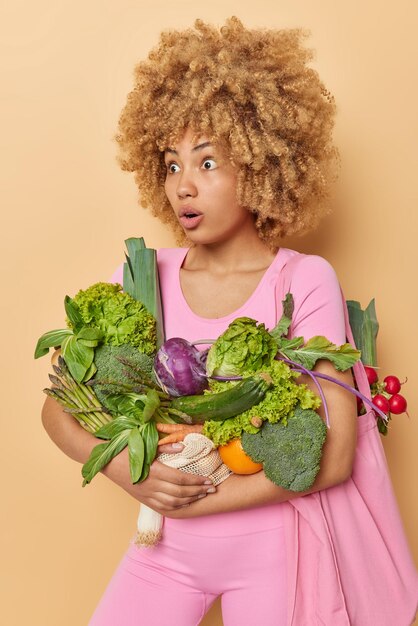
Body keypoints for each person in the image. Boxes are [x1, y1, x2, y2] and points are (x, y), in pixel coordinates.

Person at [41, 17, 418, 626]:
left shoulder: (304, 280)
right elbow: (56, 408)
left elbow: (338, 454)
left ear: (262, 163)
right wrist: (127, 475)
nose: (183, 185)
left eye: (208, 162)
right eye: (170, 164)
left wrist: (196, 502)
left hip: (276, 554)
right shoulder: (142, 275)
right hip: (162, 550)